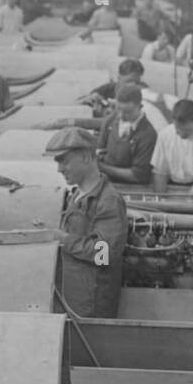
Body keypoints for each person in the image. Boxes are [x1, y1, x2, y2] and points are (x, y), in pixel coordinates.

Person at [44, 127, 128, 318]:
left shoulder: (108, 201)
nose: (59, 169)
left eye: (64, 161)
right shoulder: (77, 194)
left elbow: (104, 254)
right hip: (73, 299)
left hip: (91, 307)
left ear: (85, 157)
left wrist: (64, 239)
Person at [96, 83, 158, 186]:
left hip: (133, 188)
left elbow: (139, 175)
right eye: (118, 109)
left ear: (140, 107)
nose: (121, 116)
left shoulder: (148, 134)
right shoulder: (110, 121)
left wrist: (103, 168)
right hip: (107, 183)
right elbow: (101, 150)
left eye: (127, 112)